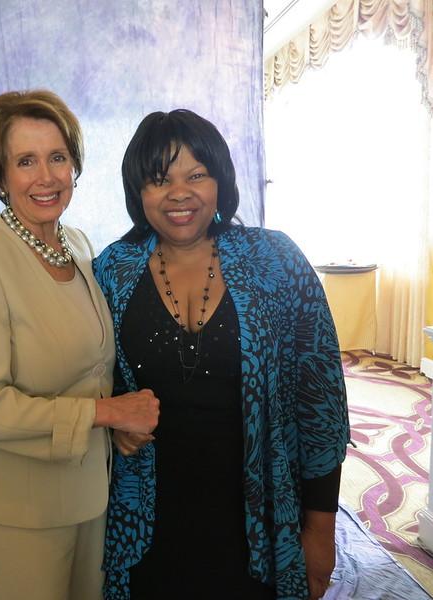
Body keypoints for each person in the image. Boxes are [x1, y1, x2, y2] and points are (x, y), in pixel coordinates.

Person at [93, 109, 350, 600]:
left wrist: (320, 531)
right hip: (145, 521)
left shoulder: (276, 260)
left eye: (197, 174)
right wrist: (110, 427)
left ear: (220, 181)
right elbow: (87, 380)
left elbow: (321, 405)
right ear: (138, 193)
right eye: (159, 179)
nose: (179, 193)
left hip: (257, 518)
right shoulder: (111, 270)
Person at [0, 90, 159, 600]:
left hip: (88, 496)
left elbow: (91, 369)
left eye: (57, 157)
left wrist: (116, 427)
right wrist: (107, 415)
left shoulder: (78, 245)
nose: (46, 177)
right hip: (19, 511)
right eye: (25, 161)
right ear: (0, 177)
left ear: (74, 166)